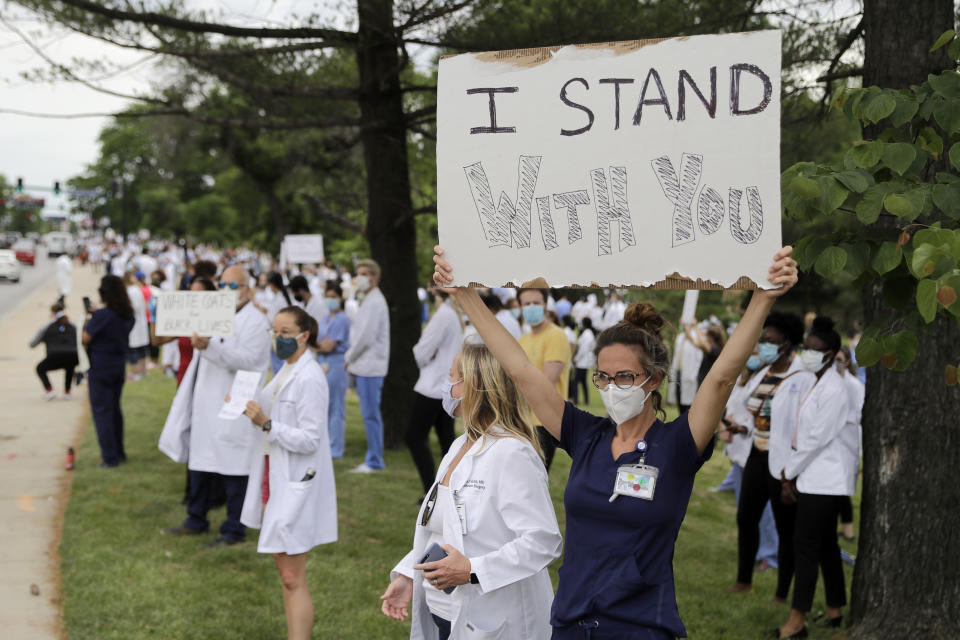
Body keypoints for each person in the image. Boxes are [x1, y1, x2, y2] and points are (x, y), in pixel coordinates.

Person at [433, 244, 798, 639]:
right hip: (571, 622)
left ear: (653, 379)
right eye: (602, 377)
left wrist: (763, 298)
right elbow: (521, 370)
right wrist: (465, 295)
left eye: (624, 376)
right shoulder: (585, 434)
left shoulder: (677, 444)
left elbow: (722, 377)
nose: (611, 387)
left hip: (639, 626)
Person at [380, 342, 562, 640]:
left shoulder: (511, 453)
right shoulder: (460, 445)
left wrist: (472, 570)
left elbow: (543, 541)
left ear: (474, 386)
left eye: (451, 376)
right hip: (445, 611)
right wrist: (407, 575)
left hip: (494, 617)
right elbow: (442, 528)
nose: (446, 385)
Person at [239, 306, 338, 640]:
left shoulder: (310, 378)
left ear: (304, 335)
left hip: (297, 478)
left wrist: (266, 423)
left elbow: (310, 439)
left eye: (284, 333)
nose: (277, 339)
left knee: (293, 576)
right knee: (286, 573)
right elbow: (273, 406)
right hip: (275, 475)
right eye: (275, 332)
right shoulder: (285, 369)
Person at [159, 265, 271, 547]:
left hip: (234, 404)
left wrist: (210, 347)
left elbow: (249, 359)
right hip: (205, 402)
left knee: (234, 468)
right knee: (200, 464)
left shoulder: (255, 321)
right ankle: (196, 519)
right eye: (222, 285)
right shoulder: (212, 314)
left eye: (233, 286)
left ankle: (234, 528)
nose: (226, 291)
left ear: (247, 289)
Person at [775, 318, 854, 639]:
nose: (808, 354)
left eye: (815, 350)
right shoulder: (815, 381)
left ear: (832, 353)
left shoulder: (834, 389)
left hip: (825, 479)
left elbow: (816, 438)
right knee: (825, 545)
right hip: (815, 475)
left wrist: (787, 473)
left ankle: (796, 623)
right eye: (806, 348)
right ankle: (835, 609)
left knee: (805, 547)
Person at [729, 312, 814, 603]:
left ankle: (781, 592)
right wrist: (740, 427)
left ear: (788, 345)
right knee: (746, 518)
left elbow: (802, 424)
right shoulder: (763, 373)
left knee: (785, 526)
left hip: (782, 463)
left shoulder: (802, 378)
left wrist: (793, 470)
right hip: (756, 453)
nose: (763, 345)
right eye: (762, 340)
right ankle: (743, 580)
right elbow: (757, 415)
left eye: (770, 341)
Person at [406, 287, 464, 496]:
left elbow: (421, 351)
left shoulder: (444, 315)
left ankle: (431, 489)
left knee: (414, 437)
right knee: (446, 440)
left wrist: (426, 357)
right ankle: (447, 487)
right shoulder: (454, 314)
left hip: (432, 387)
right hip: (444, 386)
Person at [82, 275, 135, 467]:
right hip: (118, 364)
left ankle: (109, 457)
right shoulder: (127, 314)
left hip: (101, 365)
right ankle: (118, 452)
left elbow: (85, 338)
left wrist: (89, 318)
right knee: (114, 410)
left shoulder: (102, 316)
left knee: (102, 412)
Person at [516, 286, 571, 472]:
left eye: (536, 303)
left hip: (544, 422)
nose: (531, 307)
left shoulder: (556, 336)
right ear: (520, 307)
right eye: (527, 303)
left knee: (534, 479)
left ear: (545, 305)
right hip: (523, 418)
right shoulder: (523, 340)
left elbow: (547, 383)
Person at [345, 259, 390, 473]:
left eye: (364, 273)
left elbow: (366, 337)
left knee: (371, 414)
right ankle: (373, 457)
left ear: (374, 277)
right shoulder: (368, 300)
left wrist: (349, 357)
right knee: (369, 413)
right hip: (366, 365)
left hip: (371, 367)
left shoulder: (374, 301)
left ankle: (375, 460)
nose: (360, 277)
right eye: (358, 273)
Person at [316, 282, 351, 459]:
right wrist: (320, 346)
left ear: (340, 298)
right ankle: (327, 444)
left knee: (337, 407)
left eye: (333, 297)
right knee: (326, 406)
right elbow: (319, 343)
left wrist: (319, 346)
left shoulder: (342, 319)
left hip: (336, 363)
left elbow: (329, 345)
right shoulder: (324, 319)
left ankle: (336, 448)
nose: (330, 300)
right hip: (323, 364)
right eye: (327, 296)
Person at [834, 346, 864, 541]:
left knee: (842, 489)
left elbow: (858, 413)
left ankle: (848, 531)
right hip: (835, 440)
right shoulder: (829, 382)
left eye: (839, 359)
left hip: (847, 440)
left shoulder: (853, 384)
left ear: (846, 361)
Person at [30, 303, 79, 400]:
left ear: (52, 312)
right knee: (70, 366)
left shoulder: (47, 326)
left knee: (40, 368)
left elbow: (33, 344)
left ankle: (49, 390)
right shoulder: (73, 325)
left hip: (54, 356)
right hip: (73, 355)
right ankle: (67, 391)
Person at [667, 328, 703, 416]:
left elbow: (699, 357)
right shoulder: (680, 337)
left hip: (690, 375)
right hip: (678, 373)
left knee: (688, 404)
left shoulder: (698, 336)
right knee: (679, 400)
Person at [123, 270, 150, 381]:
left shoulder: (131, 291)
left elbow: (134, 307)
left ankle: (135, 372)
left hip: (134, 322)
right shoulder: (136, 290)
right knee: (141, 349)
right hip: (140, 322)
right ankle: (143, 370)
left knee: (133, 349)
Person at [685, 321, 726, 387]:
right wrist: (687, 328)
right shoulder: (710, 348)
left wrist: (696, 327)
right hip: (702, 381)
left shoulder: (716, 349)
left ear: (711, 337)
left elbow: (702, 343)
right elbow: (693, 341)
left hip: (707, 383)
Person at [568, 317, 595, 406]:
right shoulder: (588, 333)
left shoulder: (587, 334)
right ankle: (586, 401)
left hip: (582, 362)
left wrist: (575, 359)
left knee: (575, 381)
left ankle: (576, 400)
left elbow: (583, 349)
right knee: (583, 382)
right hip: (584, 362)